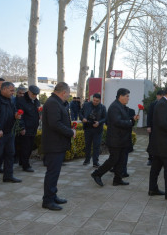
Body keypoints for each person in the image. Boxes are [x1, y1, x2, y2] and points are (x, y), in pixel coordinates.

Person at [91, 88, 139, 187]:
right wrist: (130, 122)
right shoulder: (114, 107)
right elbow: (117, 122)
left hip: (121, 139)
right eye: (127, 96)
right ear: (121, 96)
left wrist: (132, 119)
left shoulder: (121, 106)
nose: (128, 98)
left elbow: (123, 119)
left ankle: (117, 179)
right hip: (115, 139)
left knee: (120, 160)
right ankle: (97, 174)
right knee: (113, 159)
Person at [41, 82, 75, 211]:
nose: (68, 96)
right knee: (52, 173)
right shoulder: (53, 103)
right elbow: (55, 124)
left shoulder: (56, 102)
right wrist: (71, 132)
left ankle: (52, 195)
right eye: (68, 93)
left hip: (57, 144)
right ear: (64, 92)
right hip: (53, 144)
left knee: (54, 173)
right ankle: (48, 200)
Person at [0, 81, 22, 183]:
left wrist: (16, 115)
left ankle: (8, 176)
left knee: (10, 153)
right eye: (11, 90)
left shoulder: (11, 99)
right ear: (4, 89)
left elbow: (14, 109)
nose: (13, 93)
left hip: (9, 132)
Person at [15, 85, 41, 172]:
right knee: (25, 147)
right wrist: (22, 127)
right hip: (26, 127)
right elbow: (20, 116)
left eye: (36, 94)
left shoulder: (36, 101)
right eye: (33, 94)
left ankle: (23, 161)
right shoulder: (21, 101)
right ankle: (26, 165)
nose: (35, 96)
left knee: (30, 146)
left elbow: (38, 111)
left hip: (33, 127)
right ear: (29, 92)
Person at [80, 93, 106, 168]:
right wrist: (82, 118)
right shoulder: (86, 105)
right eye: (94, 100)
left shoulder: (103, 107)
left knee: (96, 146)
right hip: (87, 128)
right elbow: (80, 113)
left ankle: (95, 162)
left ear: (100, 101)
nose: (95, 102)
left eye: (97, 101)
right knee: (87, 145)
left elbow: (105, 118)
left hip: (97, 129)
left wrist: (99, 122)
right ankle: (87, 160)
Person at [146, 90, 164, 166]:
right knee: (152, 143)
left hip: (161, 128)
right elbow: (149, 115)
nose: (162, 97)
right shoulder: (153, 104)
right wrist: (149, 126)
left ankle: (160, 158)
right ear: (157, 96)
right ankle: (150, 159)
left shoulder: (165, 104)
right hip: (153, 127)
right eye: (161, 96)